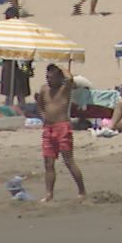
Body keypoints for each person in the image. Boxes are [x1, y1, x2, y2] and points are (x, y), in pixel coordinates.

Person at [35, 63, 85, 203]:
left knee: (68, 160)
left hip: (62, 127)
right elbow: (39, 104)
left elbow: (70, 79)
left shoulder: (64, 88)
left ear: (58, 77)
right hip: (48, 128)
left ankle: (82, 190)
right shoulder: (44, 89)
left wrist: (60, 67)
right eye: (47, 77)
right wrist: (43, 116)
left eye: (51, 77)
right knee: (48, 163)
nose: (49, 80)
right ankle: (49, 194)